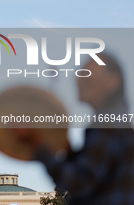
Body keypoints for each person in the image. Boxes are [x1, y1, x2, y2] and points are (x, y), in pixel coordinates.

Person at [17, 53, 134, 204]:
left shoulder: (109, 125)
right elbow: (95, 176)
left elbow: (77, 185)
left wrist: (39, 146)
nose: (78, 80)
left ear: (113, 81)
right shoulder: (116, 124)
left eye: (87, 74)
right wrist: (67, 148)